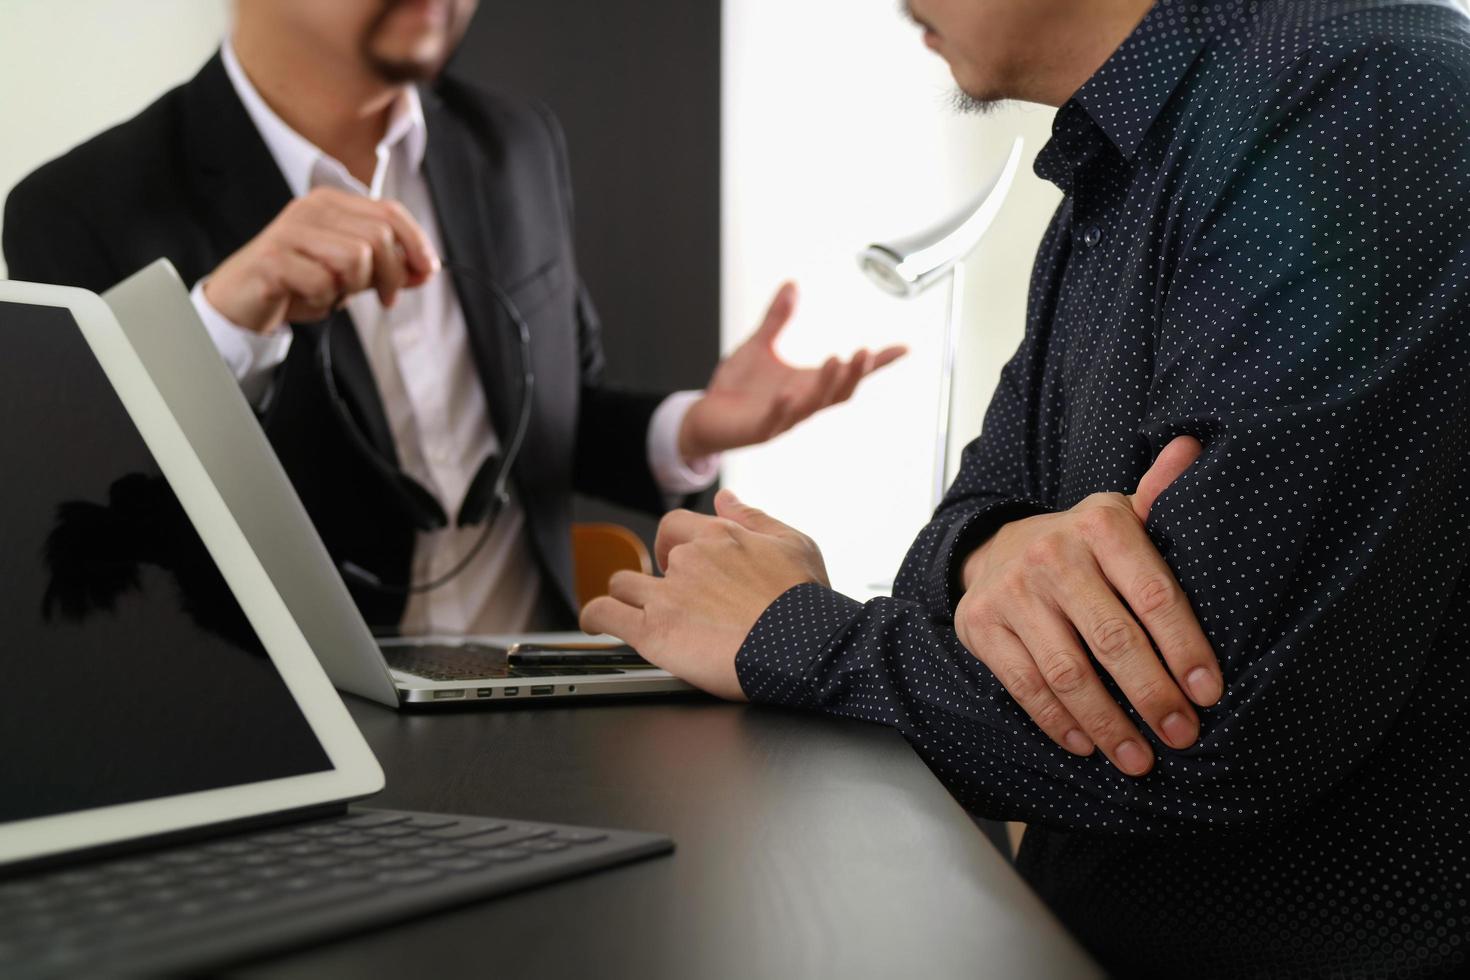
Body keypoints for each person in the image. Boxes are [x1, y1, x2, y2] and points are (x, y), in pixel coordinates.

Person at [581, 0, 1470, 976]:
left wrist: (789, 629)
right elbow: (947, 544)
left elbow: (1198, 731)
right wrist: (1003, 548)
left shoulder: (1370, 97)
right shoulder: (1116, 165)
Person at [1, 0, 902, 635]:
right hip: (293, 748)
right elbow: (91, 545)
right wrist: (221, 326)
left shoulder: (515, 144)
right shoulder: (77, 209)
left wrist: (690, 425)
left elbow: (557, 421)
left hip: (550, 705)